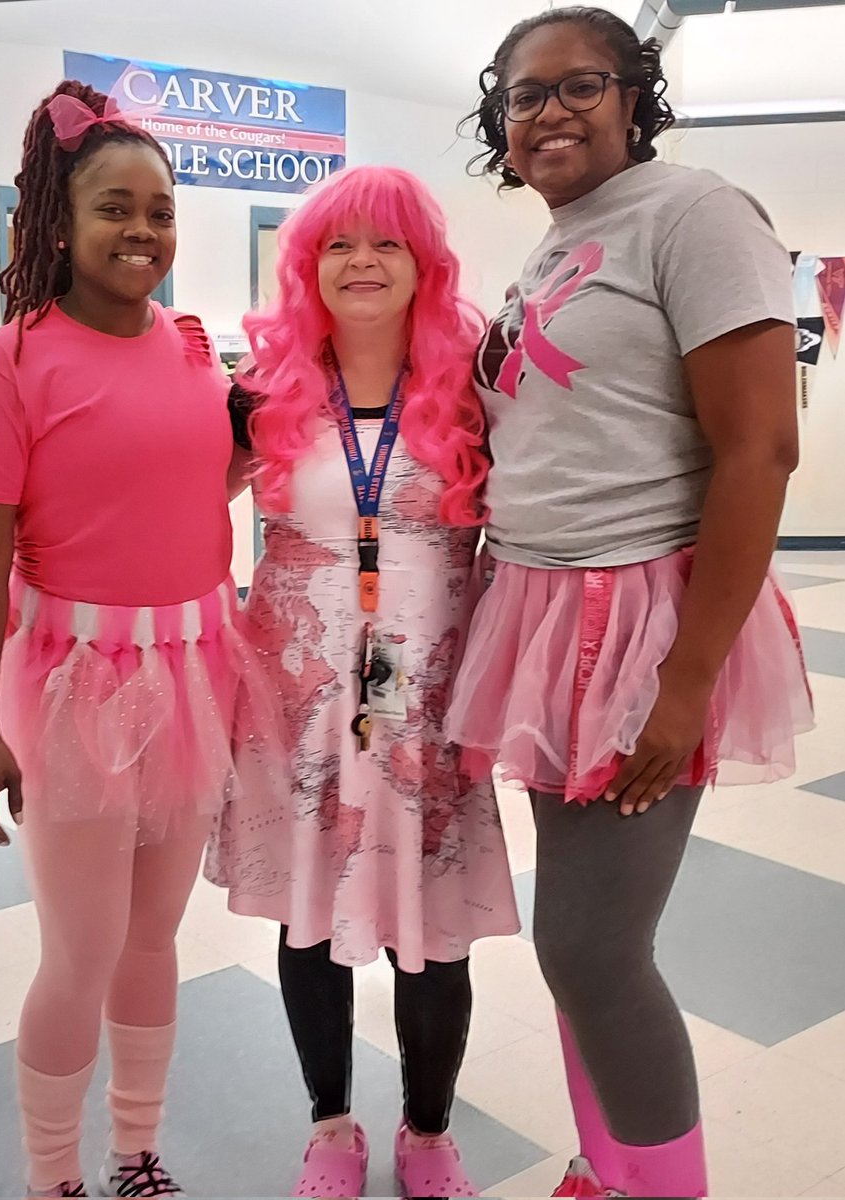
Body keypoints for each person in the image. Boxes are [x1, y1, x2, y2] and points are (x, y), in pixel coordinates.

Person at [448, 9, 814, 1198]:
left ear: (633, 95)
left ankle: (663, 1189)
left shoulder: (693, 214)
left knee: (593, 949)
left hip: (641, 619)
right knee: (580, 945)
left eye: (578, 85)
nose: (547, 111)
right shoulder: (561, 240)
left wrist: (687, 681)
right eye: (521, 96)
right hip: (546, 608)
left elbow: (758, 451)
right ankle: (607, 1169)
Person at [0, 80, 279, 1198]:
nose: (144, 232)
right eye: (115, 208)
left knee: (150, 941)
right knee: (81, 952)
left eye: (162, 211)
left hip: (192, 672)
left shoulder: (191, 350)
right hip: (76, 685)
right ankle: (53, 1178)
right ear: (58, 220)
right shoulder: (8, 365)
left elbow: (187, 487)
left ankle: (136, 1153)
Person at [204, 165, 520, 1200]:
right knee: (313, 920)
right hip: (295, 706)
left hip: (426, 708)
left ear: (423, 262)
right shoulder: (263, 391)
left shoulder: (472, 393)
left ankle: (427, 1135)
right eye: (339, 244)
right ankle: (329, 1126)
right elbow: (173, 510)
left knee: (429, 934)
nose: (363, 262)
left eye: (386, 242)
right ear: (308, 267)